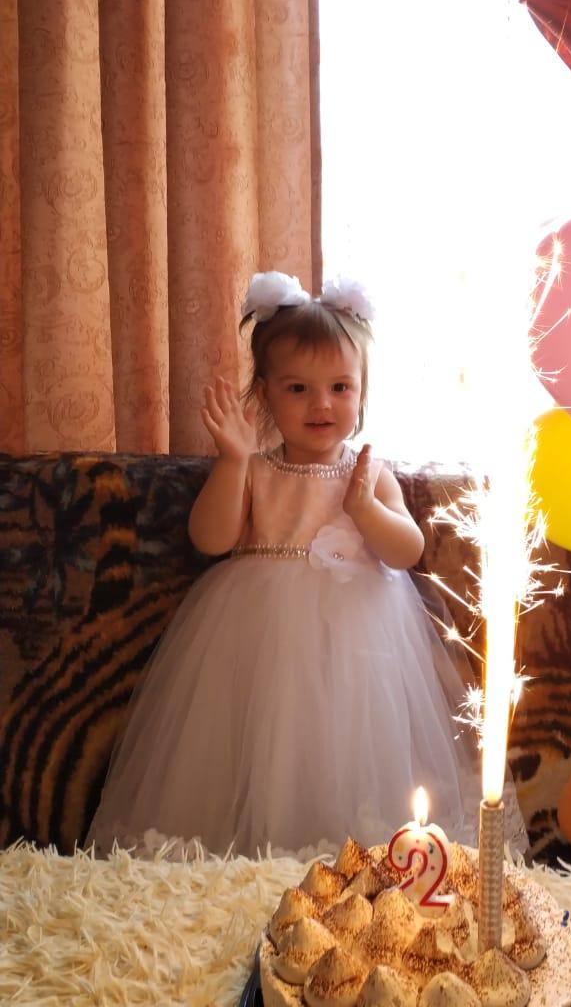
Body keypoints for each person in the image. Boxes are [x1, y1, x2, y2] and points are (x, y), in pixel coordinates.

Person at [87, 271, 524, 858]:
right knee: (264, 742)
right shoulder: (256, 470)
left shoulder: (369, 473)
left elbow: (407, 551)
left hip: (362, 649)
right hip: (259, 640)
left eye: (340, 387)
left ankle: (359, 855)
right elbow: (210, 538)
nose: (321, 404)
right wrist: (233, 460)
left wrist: (365, 510)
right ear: (265, 394)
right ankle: (252, 858)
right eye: (298, 388)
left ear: (362, 393)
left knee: (350, 746)